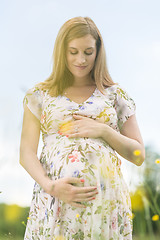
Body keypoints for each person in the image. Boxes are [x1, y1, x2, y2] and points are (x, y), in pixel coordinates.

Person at [20, 16, 145, 240]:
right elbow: (26, 153)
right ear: (62, 52)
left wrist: (104, 131)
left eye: (88, 52)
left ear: (98, 52)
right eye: (73, 51)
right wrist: (51, 187)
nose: (81, 59)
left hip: (105, 203)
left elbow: (138, 155)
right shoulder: (39, 95)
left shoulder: (115, 95)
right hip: (56, 198)